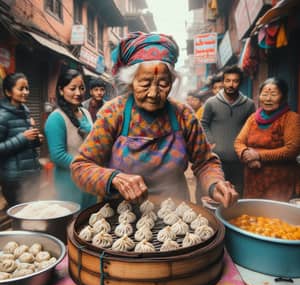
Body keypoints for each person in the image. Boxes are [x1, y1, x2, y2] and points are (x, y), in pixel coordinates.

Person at [70, 32, 238, 207]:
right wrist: (114, 178)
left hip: (174, 212)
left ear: (172, 82)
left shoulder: (183, 115)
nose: (153, 93)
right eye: (144, 84)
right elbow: (81, 167)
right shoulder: (113, 113)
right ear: (131, 82)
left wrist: (215, 184)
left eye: (163, 84)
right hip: (120, 213)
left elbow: (205, 162)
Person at [234, 78, 300, 201]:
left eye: (273, 94)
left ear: (283, 97)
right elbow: (239, 142)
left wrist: (259, 156)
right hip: (253, 180)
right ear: (259, 96)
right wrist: (246, 155)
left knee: (276, 217)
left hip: (280, 181)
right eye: (264, 94)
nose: (268, 99)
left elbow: (292, 149)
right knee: (252, 215)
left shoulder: (291, 118)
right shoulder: (253, 118)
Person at [44, 69, 97, 210]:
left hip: (89, 179)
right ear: (61, 90)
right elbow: (58, 156)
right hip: (69, 183)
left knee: (90, 219)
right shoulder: (56, 118)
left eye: (81, 88)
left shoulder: (85, 113)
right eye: (72, 88)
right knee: (72, 221)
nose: (78, 93)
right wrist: (84, 167)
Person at [201, 65, 255, 195]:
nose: (231, 84)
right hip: (216, 161)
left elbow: (252, 127)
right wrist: (211, 141)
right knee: (217, 195)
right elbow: (203, 123)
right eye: (227, 80)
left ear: (240, 83)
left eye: (235, 81)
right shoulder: (211, 103)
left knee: (237, 195)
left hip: (239, 162)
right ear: (223, 81)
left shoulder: (249, 104)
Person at [0, 73, 43, 207]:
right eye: (21, 88)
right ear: (8, 92)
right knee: (19, 216)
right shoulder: (2, 116)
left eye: (27, 88)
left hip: (31, 175)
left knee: (32, 214)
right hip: (14, 180)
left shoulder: (25, 112)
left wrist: (36, 140)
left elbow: (26, 145)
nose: (25, 92)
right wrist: (23, 138)